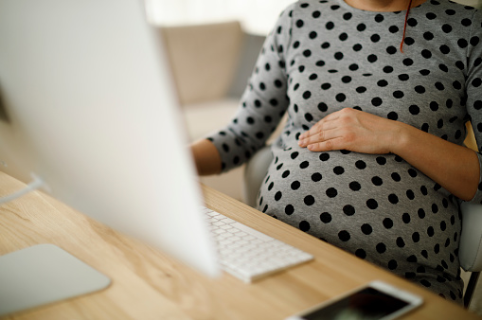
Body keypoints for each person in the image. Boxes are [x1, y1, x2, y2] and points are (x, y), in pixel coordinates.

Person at [191, 0, 482, 303]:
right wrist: (165, 161)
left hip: (398, 278)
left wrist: (398, 136)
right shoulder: (298, 19)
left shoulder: (468, 30)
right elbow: (242, 134)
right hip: (274, 253)